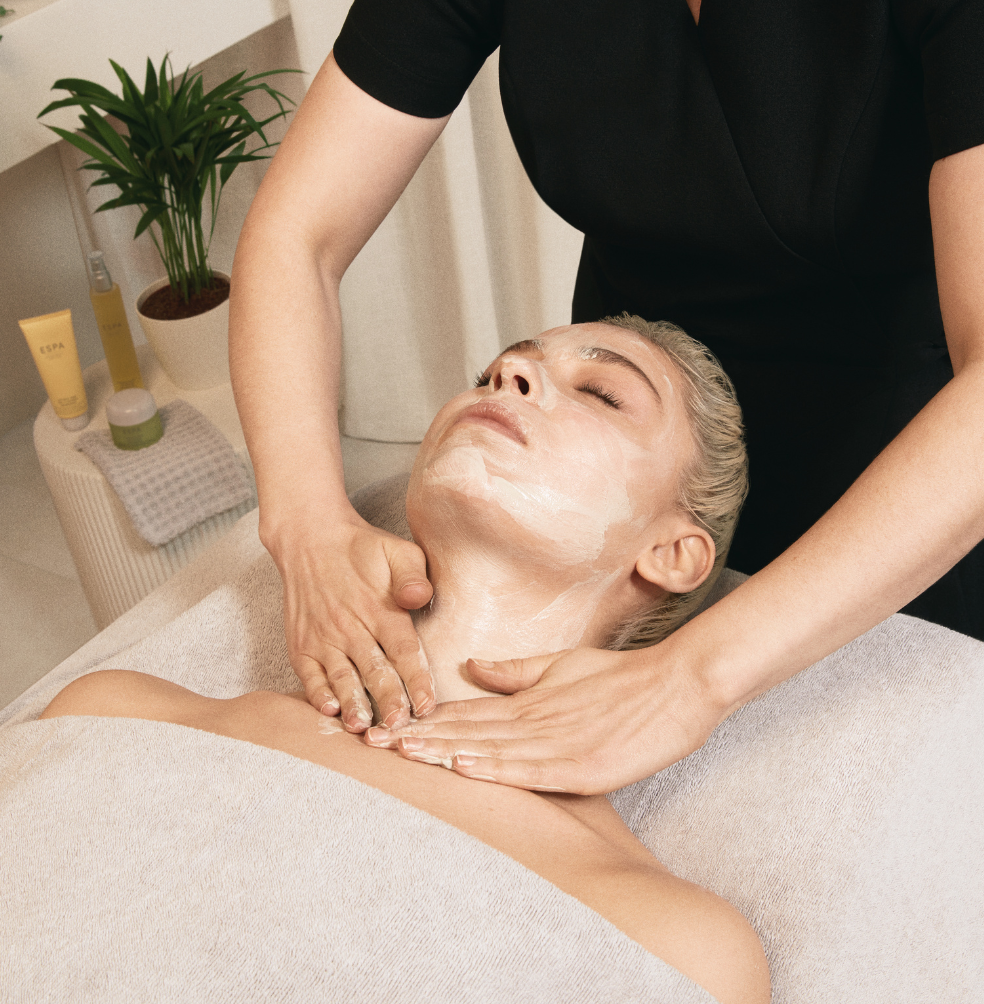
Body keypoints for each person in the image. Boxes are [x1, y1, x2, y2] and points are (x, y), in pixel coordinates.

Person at [229, 0, 984, 793]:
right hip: (619, 467)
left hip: (912, 475)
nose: (505, 375)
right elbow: (297, 235)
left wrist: (690, 679)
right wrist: (305, 523)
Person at [40, 319, 769, 1004]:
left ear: (673, 555)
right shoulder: (114, 712)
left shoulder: (677, 947)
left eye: (603, 392)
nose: (508, 374)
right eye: (491, 371)